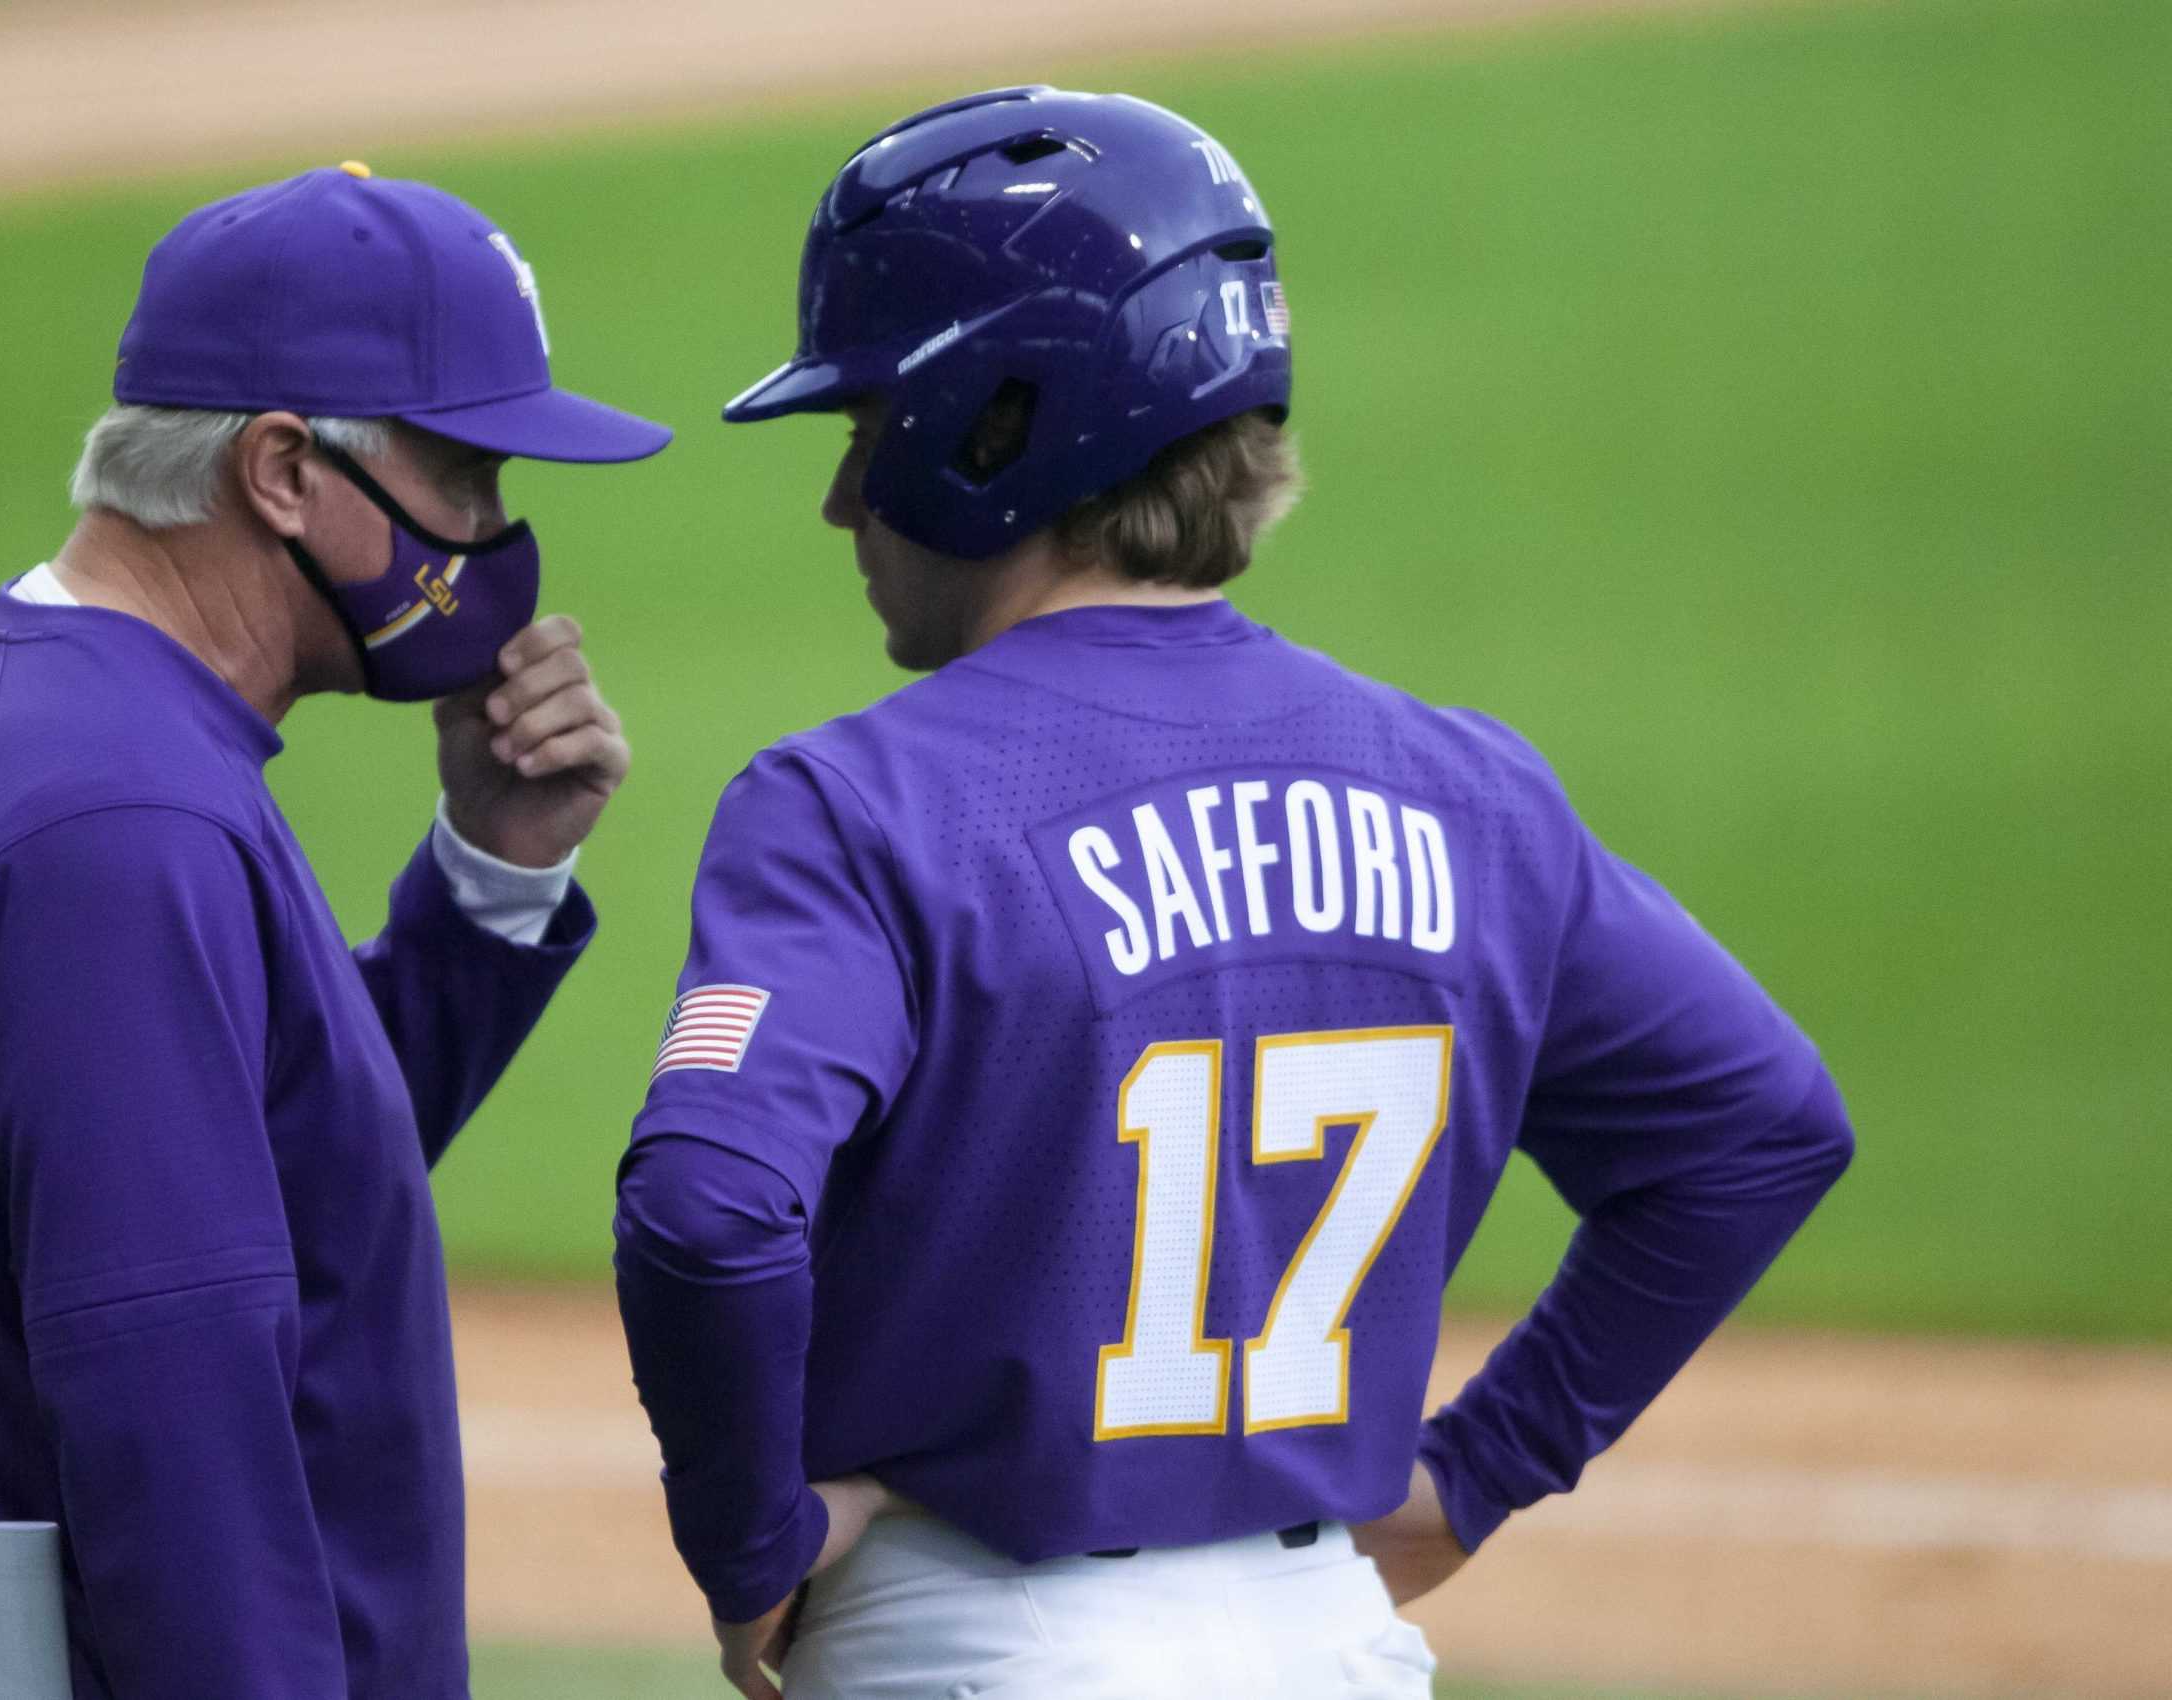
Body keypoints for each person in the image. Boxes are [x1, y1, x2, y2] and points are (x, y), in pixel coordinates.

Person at [613, 87, 1854, 1700]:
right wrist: (1476, 1474)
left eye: (865, 431)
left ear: (995, 426)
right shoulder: (1470, 796)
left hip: (974, 1647)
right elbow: (1758, 1127)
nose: (846, 500)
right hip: (1334, 1646)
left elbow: (708, 1210)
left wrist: (749, 1553)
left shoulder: (860, 805)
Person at [0, 163, 669, 1700]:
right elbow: (169, 1406)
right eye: (466, 480)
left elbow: (267, 1171)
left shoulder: (30, 712)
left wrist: (492, 871)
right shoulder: (119, 821)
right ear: (280, 471)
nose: (498, 541)